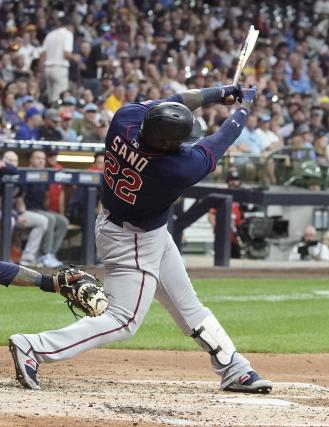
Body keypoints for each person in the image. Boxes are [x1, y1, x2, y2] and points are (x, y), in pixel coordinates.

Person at [9, 83, 272, 393]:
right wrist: (244, 106)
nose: (185, 145)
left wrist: (220, 92)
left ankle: (234, 368)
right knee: (122, 320)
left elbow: (176, 100)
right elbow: (224, 137)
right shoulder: (177, 169)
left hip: (135, 227)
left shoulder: (125, 119)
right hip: (131, 240)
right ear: (164, 144)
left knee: (188, 306)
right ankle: (35, 347)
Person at [19, 150, 68, 268]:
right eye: (37, 158)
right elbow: (21, 197)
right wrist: (21, 213)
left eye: (42, 158)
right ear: (31, 160)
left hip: (41, 210)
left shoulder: (45, 175)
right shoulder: (25, 173)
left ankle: (51, 254)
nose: (41, 160)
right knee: (50, 218)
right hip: (29, 210)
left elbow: (46, 198)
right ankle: (44, 254)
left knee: (63, 221)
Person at [2, 151, 49, 268]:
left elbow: (19, 199)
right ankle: (5, 257)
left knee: (42, 221)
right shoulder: (2, 175)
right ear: (4, 161)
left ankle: (27, 258)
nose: (13, 163)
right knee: (10, 221)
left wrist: (22, 213)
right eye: (9, 161)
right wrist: (16, 216)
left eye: (15, 161)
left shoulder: (19, 176)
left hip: (13, 212)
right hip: (4, 212)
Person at [41, 17, 76, 103]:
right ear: (70, 26)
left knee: (51, 97)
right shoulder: (68, 34)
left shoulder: (50, 34)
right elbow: (66, 54)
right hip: (59, 68)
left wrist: (40, 70)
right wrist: (75, 57)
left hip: (47, 68)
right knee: (59, 97)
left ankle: (51, 113)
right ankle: (55, 115)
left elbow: (43, 55)